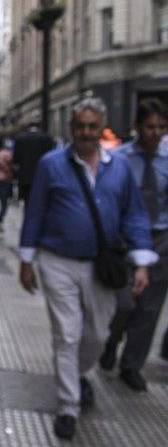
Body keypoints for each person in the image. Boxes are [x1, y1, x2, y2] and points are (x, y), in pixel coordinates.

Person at [19, 96, 156, 440]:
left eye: (92, 126)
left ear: (101, 128)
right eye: (79, 125)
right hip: (57, 261)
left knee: (97, 334)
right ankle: (68, 405)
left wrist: (141, 260)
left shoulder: (120, 167)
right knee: (66, 334)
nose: (85, 132)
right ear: (71, 128)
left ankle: (79, 374)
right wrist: (26, 260)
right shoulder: (52, 165)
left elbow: (134, 215)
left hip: (100, 266)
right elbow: (35, 212)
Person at [100, 99, 168, 391]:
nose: (155, 133)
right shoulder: (120, 160)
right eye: (150, 127)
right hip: (125, 240)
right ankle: (110, 342)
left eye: (161, 128)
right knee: (124, 303)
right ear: (137, 127)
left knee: (149, 309)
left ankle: (132, 365)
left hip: (161, 239)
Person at [12, 124, 55, 203]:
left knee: (27, 201)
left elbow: (15, 159)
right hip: (42, 175)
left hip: (25, 177)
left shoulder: (20, 139)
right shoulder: (46, 138)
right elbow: (51, 157)